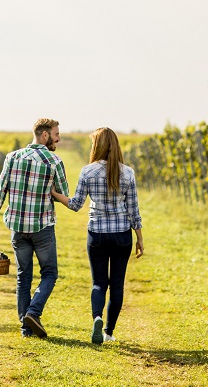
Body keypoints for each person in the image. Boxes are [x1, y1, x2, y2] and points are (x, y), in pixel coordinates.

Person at [50, 127, 143, 344]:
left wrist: (54, 193)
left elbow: (75, 205)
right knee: (117, 285)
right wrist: (139, 238)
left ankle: (97, 318)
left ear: (97, 146)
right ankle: (109, 332)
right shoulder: (128, 173)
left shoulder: (88, 171)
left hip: (97, 234)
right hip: (122, 234)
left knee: (98, 283)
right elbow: (134, 211)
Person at [0, 118, 68, 338]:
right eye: (56, 134)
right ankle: (33, 312)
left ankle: (26, 328)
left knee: (24, 276)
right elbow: (63, 193)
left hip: (18, 228)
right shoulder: (54, 161)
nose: (58, 138)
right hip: (42, 228)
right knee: (49, 273)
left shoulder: (12, 158)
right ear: (45, 135)